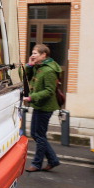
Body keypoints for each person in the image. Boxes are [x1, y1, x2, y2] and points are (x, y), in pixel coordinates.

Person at [23, 43, 62, 172]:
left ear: (44, 55)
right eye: (32, 53)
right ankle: (53, 160)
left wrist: (31, 97)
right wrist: (29, 65)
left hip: (46, 107)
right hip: (39, 105)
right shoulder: (38, 66)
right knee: (36, 134)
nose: (32, 55)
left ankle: (37, 163)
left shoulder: (49, 70)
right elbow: (24, 77)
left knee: (39, 135)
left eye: (35, 53)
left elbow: (49, 91)